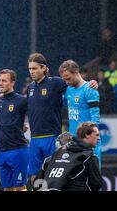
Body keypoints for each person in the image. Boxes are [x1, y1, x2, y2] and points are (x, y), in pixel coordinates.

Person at [26, 53, 99, 186]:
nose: (31, 71)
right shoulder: (30, 87)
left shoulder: (56, 83)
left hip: (54, 138)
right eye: (30, 69)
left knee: (58, 177)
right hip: (39, 138)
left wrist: (93, 82)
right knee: (35, 179)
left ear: (43, 68)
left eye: (34, 68)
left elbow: (79, 86)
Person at [0, 69, 29, 191]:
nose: (0, 83)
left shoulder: (21, 100)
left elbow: (37, 110)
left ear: (12, 83)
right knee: (7, 188)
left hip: (18, 150)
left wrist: (25, 124)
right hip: (2, 151)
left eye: (4, 81)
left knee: (20, 187)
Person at [35, 122, 103, 191]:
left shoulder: (57, 153)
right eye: (97, 135)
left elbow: (37, 183)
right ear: (87, 135)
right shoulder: (89, 157)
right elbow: (96, 183)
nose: (99, 138)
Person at [59, 60, 101, 166]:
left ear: (77, 72)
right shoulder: (68, 89)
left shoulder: (90, 89)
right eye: (64, 80)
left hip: (88, 141)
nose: (67, 82)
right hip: (74, 142)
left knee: (92, 178)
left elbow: (95, 119)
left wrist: (91, 139)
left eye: (68, 78)